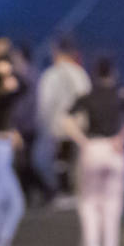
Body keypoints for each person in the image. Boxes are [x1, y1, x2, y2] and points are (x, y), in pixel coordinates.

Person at [60, 57, 124, 246]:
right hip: (114, 149)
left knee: (88, 202)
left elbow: (66, 119)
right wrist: (122, 137)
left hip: (92, 148)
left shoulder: (87, 96)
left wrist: (82, 140)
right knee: (112, 204)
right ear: (113, 72)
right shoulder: (121, 93)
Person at [35, 35, 91, 203]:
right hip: (77, 125)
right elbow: (86, 97)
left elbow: (45, 102)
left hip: (58, 125)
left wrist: (43, 123)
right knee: (74, 159)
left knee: (60, 160)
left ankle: (64, 190)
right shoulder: (79, 73)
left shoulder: (50, 75)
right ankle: (74, 189)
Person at [8, 42, 54, 206]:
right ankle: (30, 193)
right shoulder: (24, 75)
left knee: (23, 163)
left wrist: (16, 122)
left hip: (26, 126)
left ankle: (44, 190)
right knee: (22, 162)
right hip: (24, 125)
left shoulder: (28, 77)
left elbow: (26, 104)